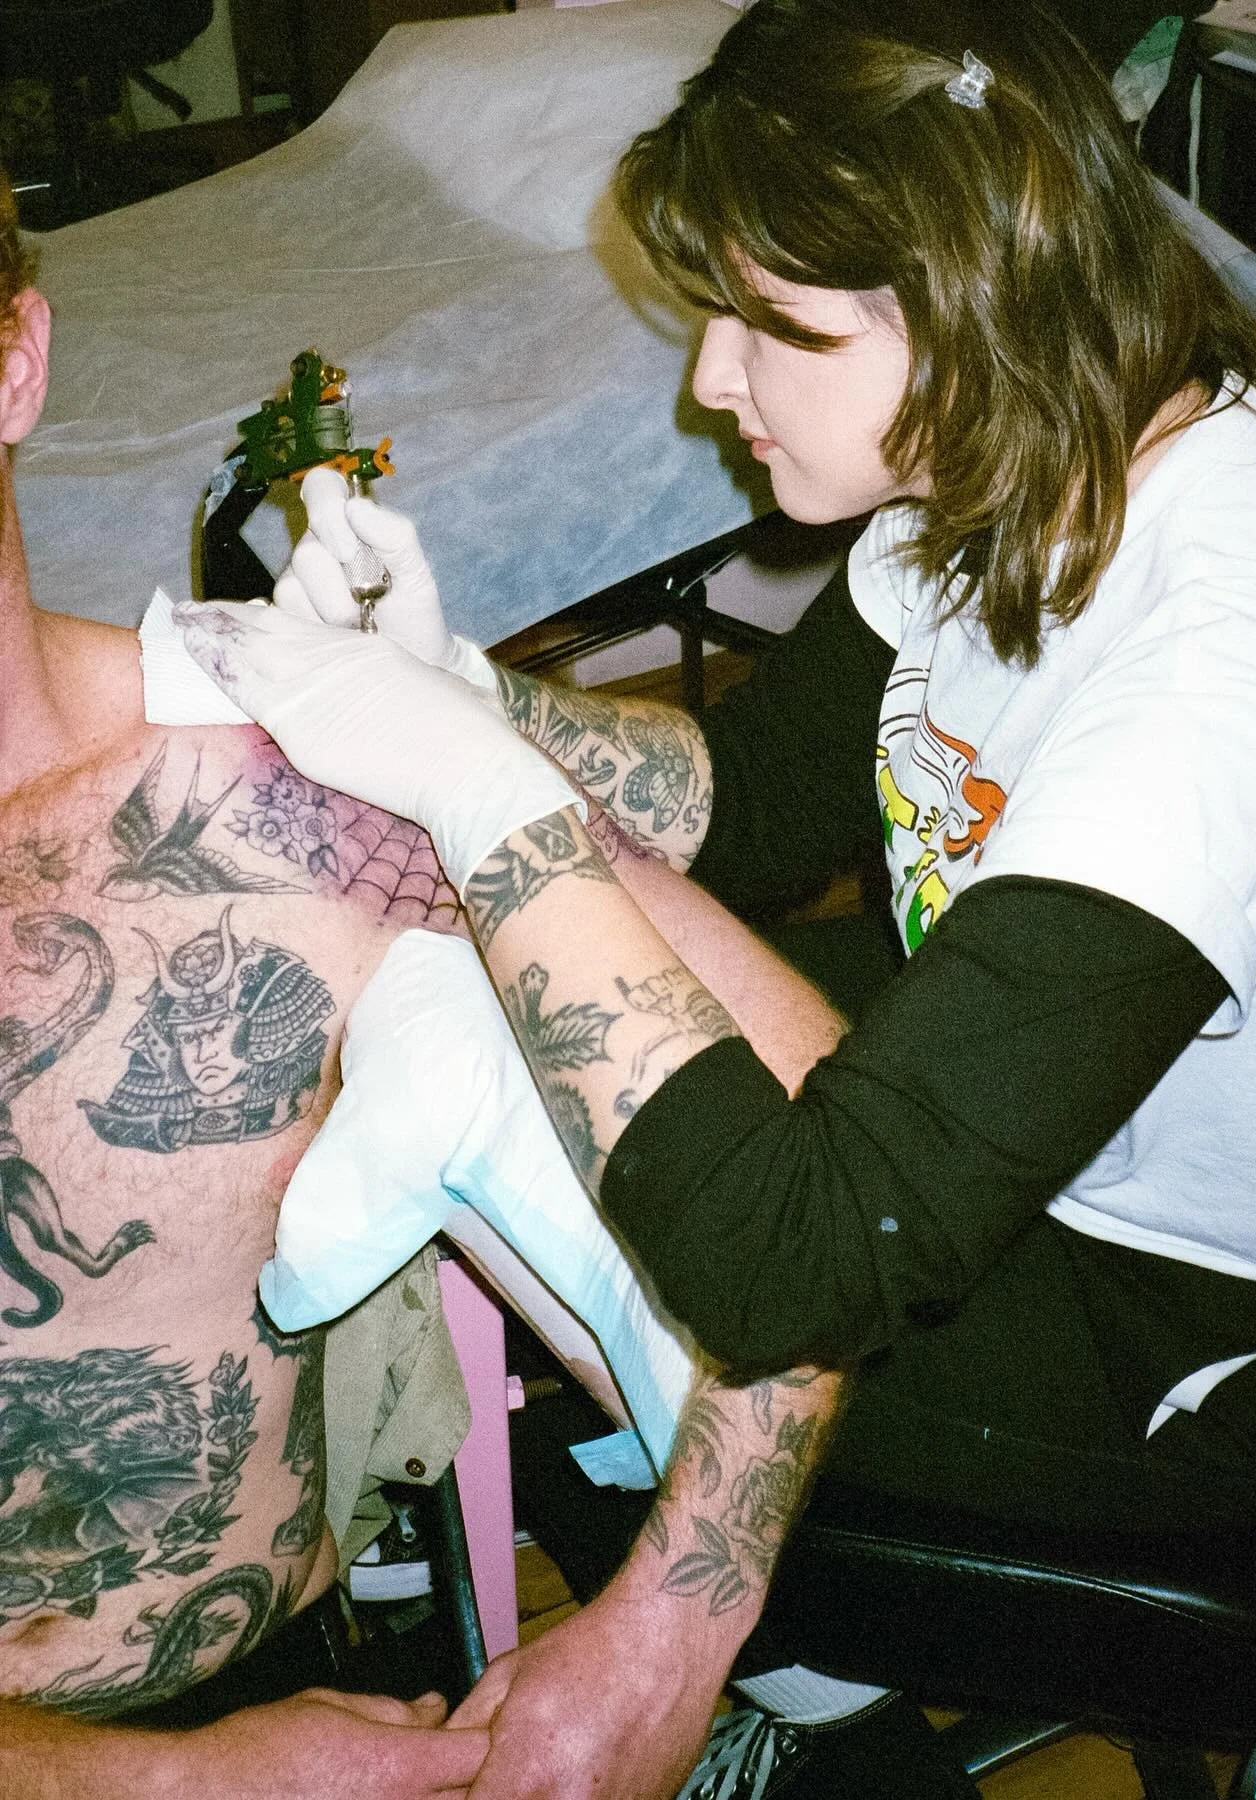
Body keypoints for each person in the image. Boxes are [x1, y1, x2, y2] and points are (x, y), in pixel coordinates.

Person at [178, 0, 1256, 1794]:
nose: (711, 379)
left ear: (983, 302)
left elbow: (806, 1268)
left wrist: (478, 786)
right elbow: (748, 806)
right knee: (495, 951)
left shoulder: (1240, 675)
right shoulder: (1013, 456)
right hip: (1058, 1111)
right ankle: (796, 1656)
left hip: (1210, 1329)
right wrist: (457, 687)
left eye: (776, 326)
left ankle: (796, 1706)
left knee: (516, 1046)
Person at [0, 174, 501, 1797]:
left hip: (281, 1702)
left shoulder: (260, 776)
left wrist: (459, 718)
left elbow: (722, 847)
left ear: (15, 358)